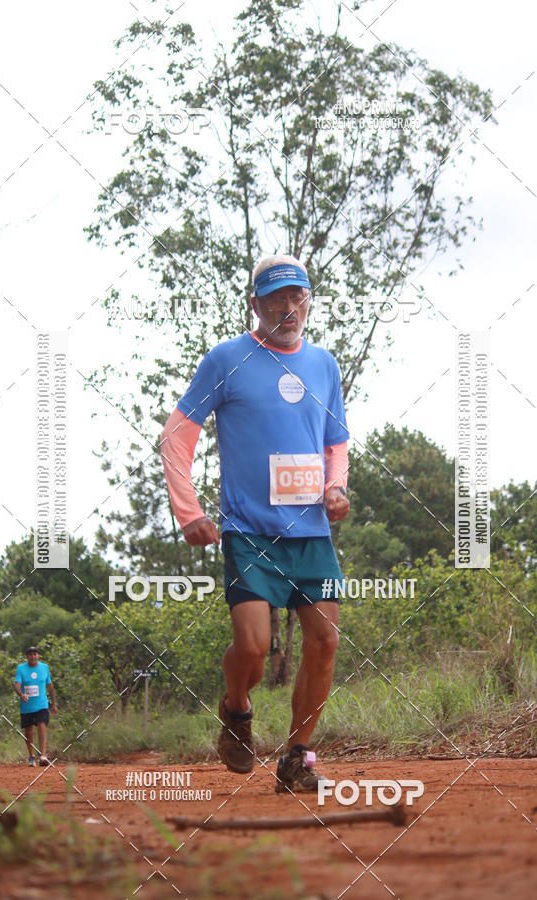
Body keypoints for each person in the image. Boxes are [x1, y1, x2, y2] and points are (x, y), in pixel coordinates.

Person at [160, 254, 350, 792]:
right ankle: (236, 707)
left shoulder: (325, 366)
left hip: (311, 533)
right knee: (253, 648)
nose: (287, 308)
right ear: (255, 305)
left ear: (307, 301)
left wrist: (336, 487)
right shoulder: (227, 359)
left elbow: (336, 443)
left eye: (296, 297)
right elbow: (176, 436)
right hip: (248, 532)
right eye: (275, 299)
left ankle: (296, 759)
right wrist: (189, 512)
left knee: (325, 640)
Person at [14, 646, 57, 766]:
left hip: (42, 704)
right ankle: (31, 755)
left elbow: (50, 686)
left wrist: (53, 704)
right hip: (27, 706)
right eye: (30, 654)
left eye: (35, 654)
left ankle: (43, 756)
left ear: (38, 656)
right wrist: (21, 694)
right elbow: (17, 685)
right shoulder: (21, 668)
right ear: (27, 657)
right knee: (28, 731)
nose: (33, 656)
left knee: (42, 725)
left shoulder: (44, 667)